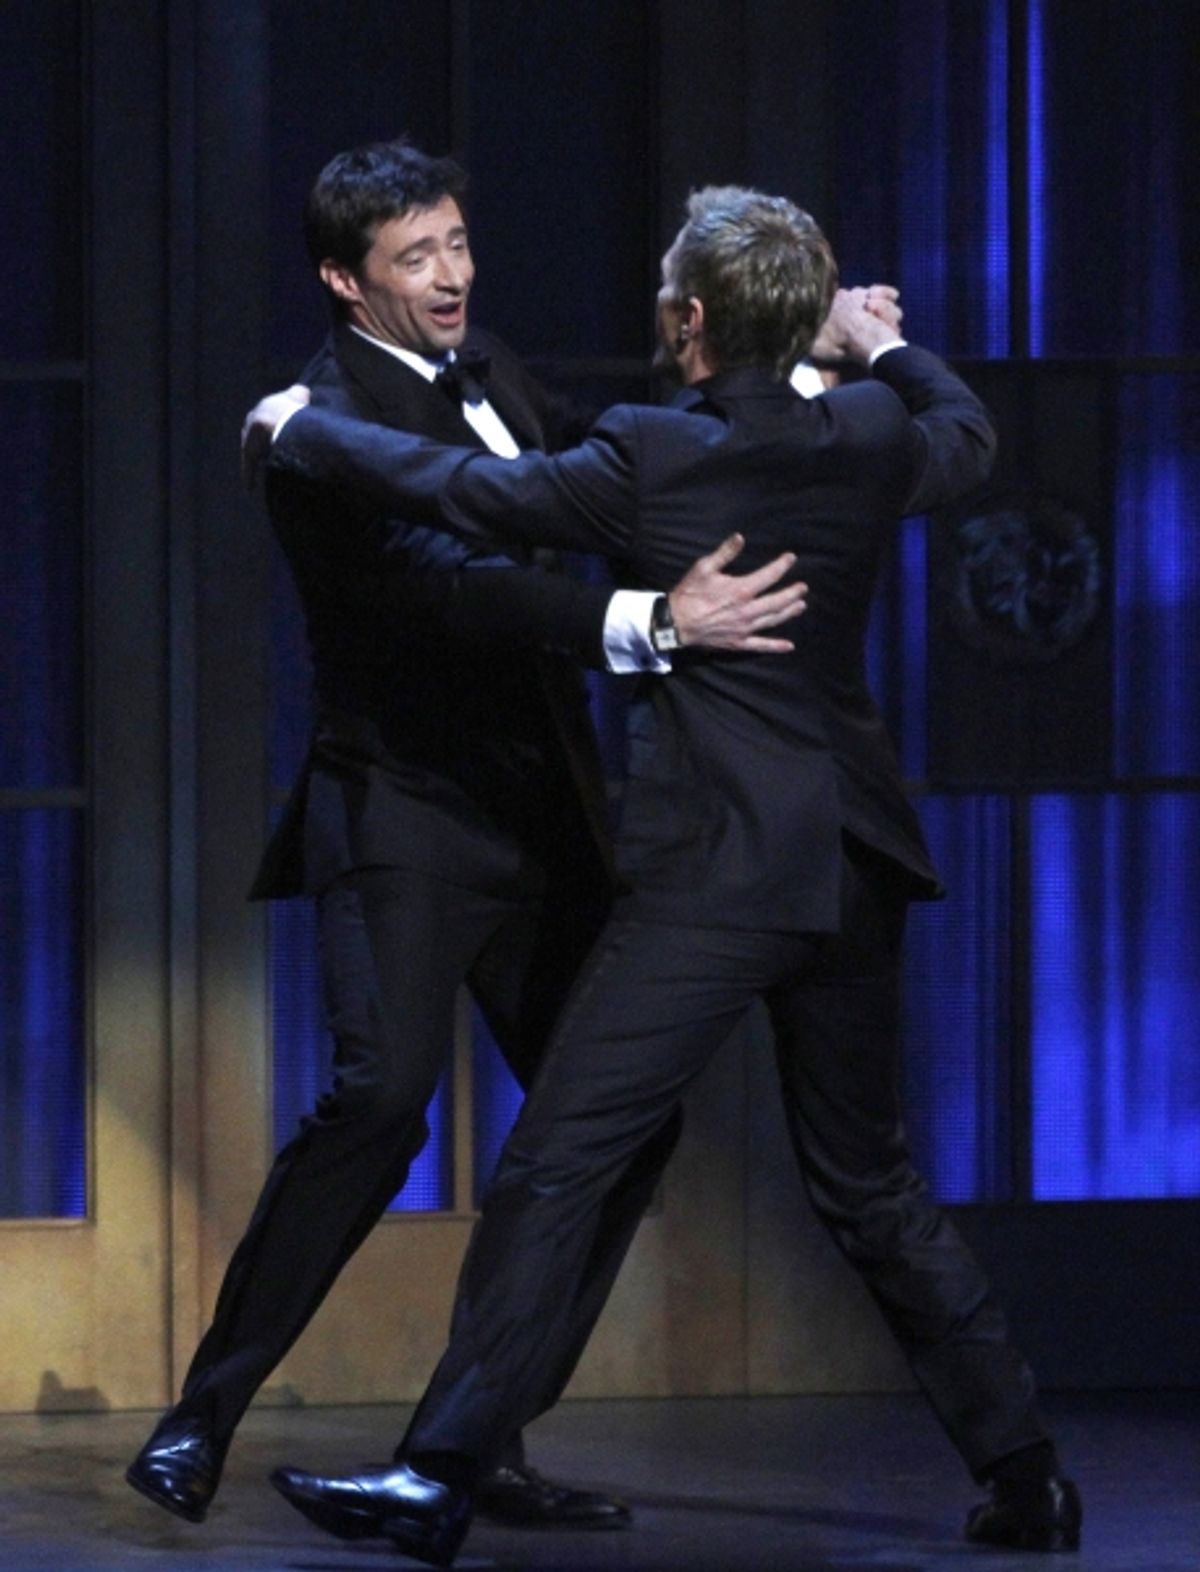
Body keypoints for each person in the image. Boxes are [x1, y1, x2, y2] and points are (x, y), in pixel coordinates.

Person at [247, 186, 1082, 1565]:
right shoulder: (867, 432)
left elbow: (464, 489)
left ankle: (439, 1474)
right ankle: (1028, 1473)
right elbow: (967, 432)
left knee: (557, 1163)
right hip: (852, 861)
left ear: (690, 321)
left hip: (718, 874)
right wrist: (872, 343)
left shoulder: (654, 455)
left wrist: (301, 429)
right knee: (869, 1184)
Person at [124, 142, 809, 1533]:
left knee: (617, 1124)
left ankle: (472, 1440)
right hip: (408, 815)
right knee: (380, 1107)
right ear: (344, 281)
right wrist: (657, 623)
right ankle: (199, 1418)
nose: (451, 277)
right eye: (415, 258)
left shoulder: (486, 364)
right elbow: (457, 589)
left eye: (456, 243)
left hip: (538, 815)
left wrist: (780, 389)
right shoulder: (312, 429)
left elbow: (596, 468)